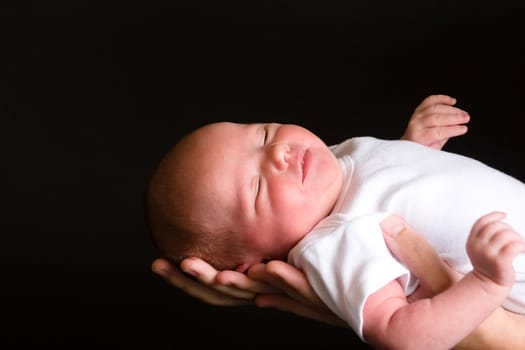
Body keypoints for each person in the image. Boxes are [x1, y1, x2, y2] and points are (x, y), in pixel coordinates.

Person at [145, 94, 525, 349]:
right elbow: (402, 336)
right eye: (258, 187)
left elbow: (394, 187)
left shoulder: (334, 161)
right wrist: (485, 284)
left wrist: (410, 148)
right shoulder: (334, 242)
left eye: (263, 134)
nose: (278, 152)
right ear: (253, 260)